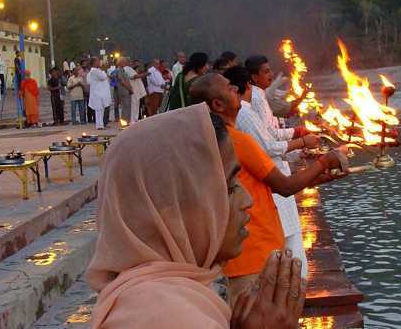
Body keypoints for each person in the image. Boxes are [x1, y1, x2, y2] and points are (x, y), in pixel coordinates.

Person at [87, 104, 305, 328]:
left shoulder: (165, 298)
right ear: (171, 211)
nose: (247, 201)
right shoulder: (169, 317)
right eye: (228, 188)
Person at [189, 73, 347, 306]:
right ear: (217, 104)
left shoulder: (210, 140)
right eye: (229, 88)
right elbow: (283, 187)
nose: (236, 88)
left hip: (236, 256)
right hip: (254, 254)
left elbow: (257, 186)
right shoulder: (238, 141)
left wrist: (314, 179)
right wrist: (325, 162)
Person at [225, 65, 317, 276]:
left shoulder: (246, 111)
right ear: (249, 83)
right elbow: (268, 147)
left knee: (288, 236)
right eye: (265, 71)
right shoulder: (244, 114)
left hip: (272, 176)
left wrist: (297, 136)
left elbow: (270, 134)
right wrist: (304, 143)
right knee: (286, 240)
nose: (269, 75)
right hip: (271, 179)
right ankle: (291, 284)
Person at [86, 57, 111, 130]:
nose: (99, 62)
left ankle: (101, 124)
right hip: (98, 93)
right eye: (97, 61)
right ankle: (99, 125)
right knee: (99, 110)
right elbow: (103, 77)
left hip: (100, 93)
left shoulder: (96, 71)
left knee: (101, 109)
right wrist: (103, 71)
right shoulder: (94, 71)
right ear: (94, 63)